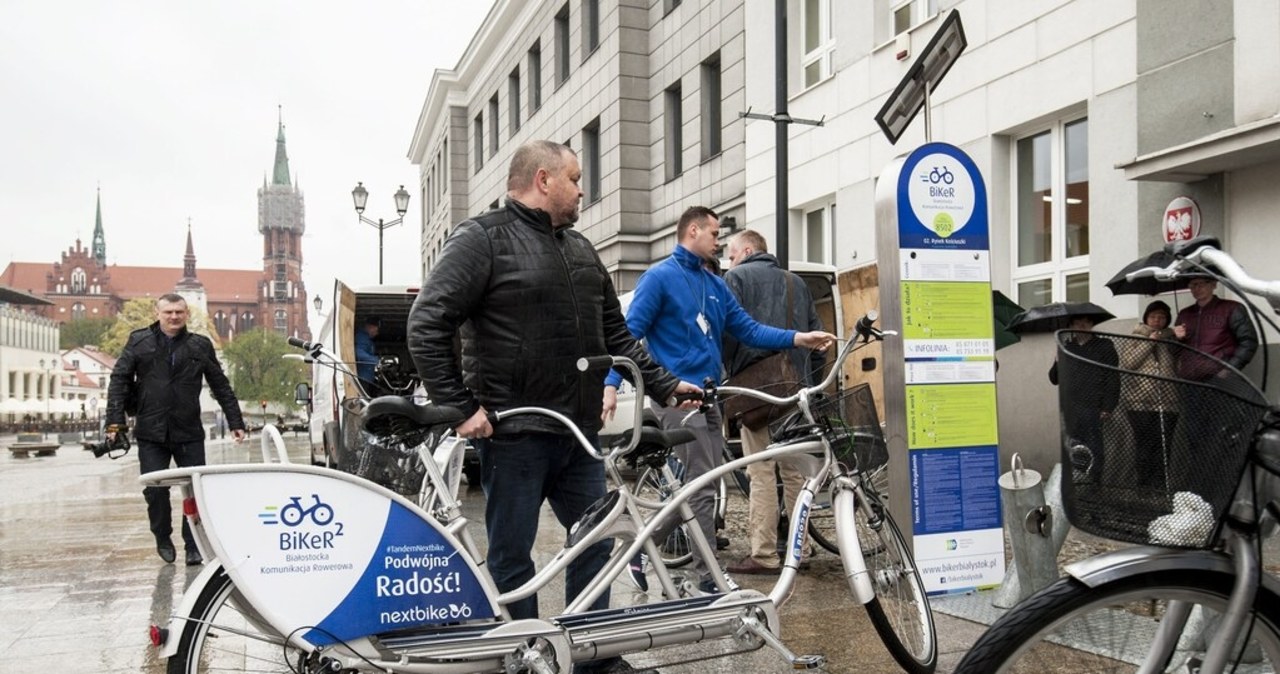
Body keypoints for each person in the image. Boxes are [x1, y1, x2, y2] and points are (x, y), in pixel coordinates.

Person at [407, 140, 701, 674]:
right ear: (544, 180)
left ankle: (591, 658)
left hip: (579, 434)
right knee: (512, 557)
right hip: (513, 434)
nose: (583, 188)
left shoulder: (582, 250)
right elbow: (428, 322)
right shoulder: (481, 239)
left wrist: (666, 385)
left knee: (594, 541)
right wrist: (460, 406)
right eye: (575, 177)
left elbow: (617, 334)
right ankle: (523, 657)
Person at [602, 207, 835, 592]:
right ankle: (707, 576)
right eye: (713, 233)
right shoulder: (658, 278)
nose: (719, 241)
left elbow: (749, 329)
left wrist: (798, 338)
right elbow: (628, 337)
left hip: (710, 397)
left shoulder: (715, 284)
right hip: (676, 398)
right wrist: (611, 383)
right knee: (703, 487)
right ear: (692, 231)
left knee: (701, 485)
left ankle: (640, 550)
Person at [104, 294, 246, 566]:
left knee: (194, 490)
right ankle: (161, 535)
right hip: (151, 431)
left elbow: (220, 385)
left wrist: (235, 422)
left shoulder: (200, 346)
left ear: (186, 314)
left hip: (188, 431)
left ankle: (193, 543)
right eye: (168, 311)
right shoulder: (139, 341)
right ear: (157, 312)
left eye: (179, 312)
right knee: (155, 491)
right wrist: (114, 422)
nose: (173, 317)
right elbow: (119, 380)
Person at [721, 229, 825, 575]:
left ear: (748, 250)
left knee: (761, 472)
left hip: (756, 393)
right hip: (796, 391)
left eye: (732, 254)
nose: (729, 261)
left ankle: (764, 553)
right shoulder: (797, 283)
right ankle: (802, 548)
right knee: (795, 473)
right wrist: (813, 387)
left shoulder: (735, 279)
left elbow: (727, 333)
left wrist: (727, 376)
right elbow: (816, 336)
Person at [1049, 316, 1119, 481]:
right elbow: (1054, 379)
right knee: (1074, 447)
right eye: (1077, 322)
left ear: (1092, 325)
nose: (1082, 325)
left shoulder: (1104, 345)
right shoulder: (1067, 346)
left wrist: (1108, 406)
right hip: (1071, 407)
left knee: (1094, 447)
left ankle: (1094, 483)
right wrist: (1057, 360)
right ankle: (1077, 483)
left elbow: (1113, 377)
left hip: (1094, 406)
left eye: (1087, 322)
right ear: (1071, 325)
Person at [1120, 300, 1179, 489]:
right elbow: (1129, 363)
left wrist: (1175, 338)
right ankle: (1143, 486)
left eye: (1162, 317)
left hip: (1167, 402)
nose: (1157, 320)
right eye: (1153, 316)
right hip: (1140, 403)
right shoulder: (1136, 337)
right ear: (1146, 318)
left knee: (1163, 447)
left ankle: (1160, 487)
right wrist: (1149, 343)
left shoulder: (1170, 339)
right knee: (1144, 446)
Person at [1172, 277, 1258, 381]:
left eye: (1202, 284)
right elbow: (1174, 348)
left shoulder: (1232, 308)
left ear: (1214, 285)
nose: (1197, 288)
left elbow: (1248, 341)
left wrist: (1229, 369)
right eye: (1193, 285)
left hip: (1218, 378)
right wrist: (1177, 338)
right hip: (1189, 378)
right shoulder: (1184, 314)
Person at [354, 316, 381, 393]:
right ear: (370, 327)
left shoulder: (367, 339)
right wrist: (375, 360)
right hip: (362, 376)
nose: (377, 333)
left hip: (366, 377)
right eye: (376, 330)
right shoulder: (362, 338)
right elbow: (358, 352)